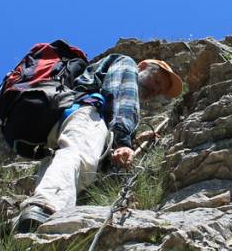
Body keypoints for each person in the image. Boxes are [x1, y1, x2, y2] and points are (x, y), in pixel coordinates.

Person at [13, 55, 183, 233]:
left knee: (62, 161)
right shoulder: (127, 63)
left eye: (159, 90)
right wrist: (123, 142)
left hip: (64, 119)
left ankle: (31, 218)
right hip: (87, 114)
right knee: (79, 157)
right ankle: (44, 208)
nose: (155, 89)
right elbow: (122, 98)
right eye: (156, 80)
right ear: (144, 66)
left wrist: (137, 140)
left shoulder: (100, 73)